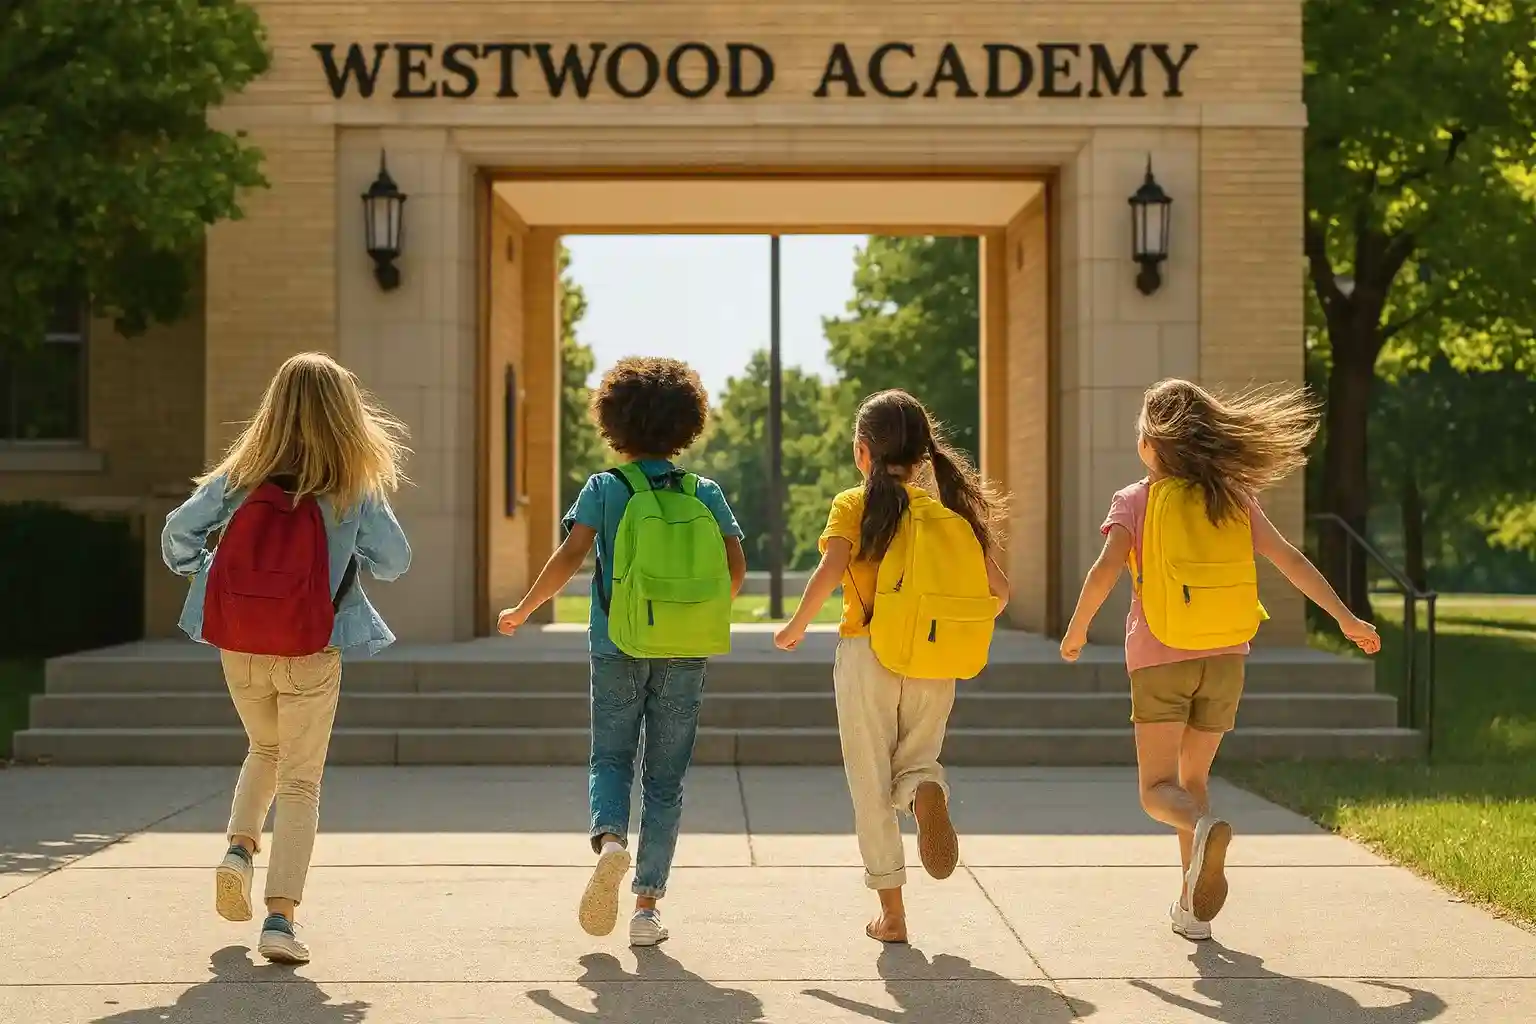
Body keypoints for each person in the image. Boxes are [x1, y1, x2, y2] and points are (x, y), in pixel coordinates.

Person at [1059, 378, 1380, 942]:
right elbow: (1290, 560)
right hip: (1227, 657)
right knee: (1194, 778)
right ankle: (1194, 911)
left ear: (1151, 446)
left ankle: (1203, 834)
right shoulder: (1232, 498)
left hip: (1160, 656)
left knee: (1158, 791)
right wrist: (1346, 619)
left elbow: (1105, 570)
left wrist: (1078, 628)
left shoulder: (1135, 500)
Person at [161, 352, 411, 965]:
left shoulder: (242, 475)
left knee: (264, 748)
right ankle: (279, 919)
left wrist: (211, 578)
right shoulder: (353, 485)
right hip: (311, 645)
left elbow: (178, 534)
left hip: (241, 642)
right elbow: (395, 561)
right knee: (299, 780)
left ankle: (238, 851)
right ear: (345, 414)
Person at [498, 356, 747, 947]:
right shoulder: (705, 492)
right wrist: (692, 612)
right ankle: (645, 909)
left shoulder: (605, 489)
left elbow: (569, 558)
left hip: (616, 644)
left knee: (610, 758)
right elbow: (735, 569)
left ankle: (610, 840)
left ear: (615, 421)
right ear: (688, 422)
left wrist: (524, 609)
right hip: (685, 650)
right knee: (665, 780)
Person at [774, 389, 1010, 943]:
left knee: (869, 782)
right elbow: (998, 592)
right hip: (935, 657)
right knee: (917, 761)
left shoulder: (854, 505)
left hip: (868, 651)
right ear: (924, 457)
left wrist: (797, 625)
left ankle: (893, 916)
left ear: (863, 452)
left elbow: (831, 570)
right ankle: (926, 791)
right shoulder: (951, 515)